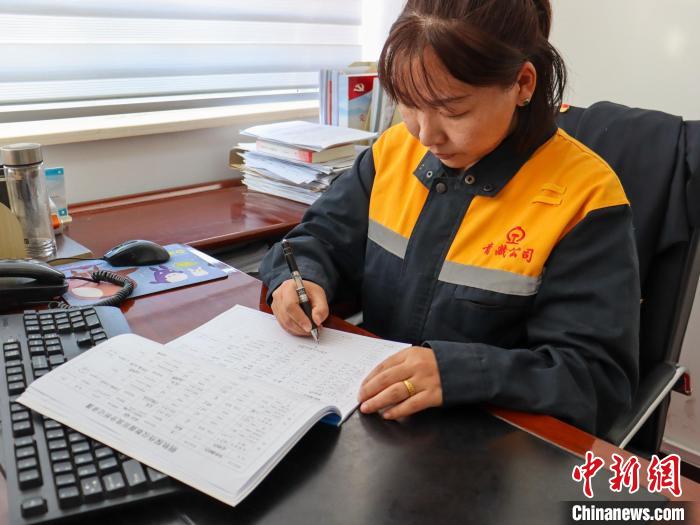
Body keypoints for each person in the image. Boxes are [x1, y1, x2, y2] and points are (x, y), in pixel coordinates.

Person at [260, 0, 639, 436]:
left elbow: (595, 380)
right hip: (377, 421)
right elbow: (318, 238)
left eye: (453, 111)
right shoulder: (393, 152)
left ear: (522, 83)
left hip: (491, 446)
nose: (425, 134)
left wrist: (460, 373)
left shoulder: (586, 197)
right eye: (408, 104)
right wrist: (297, 278)